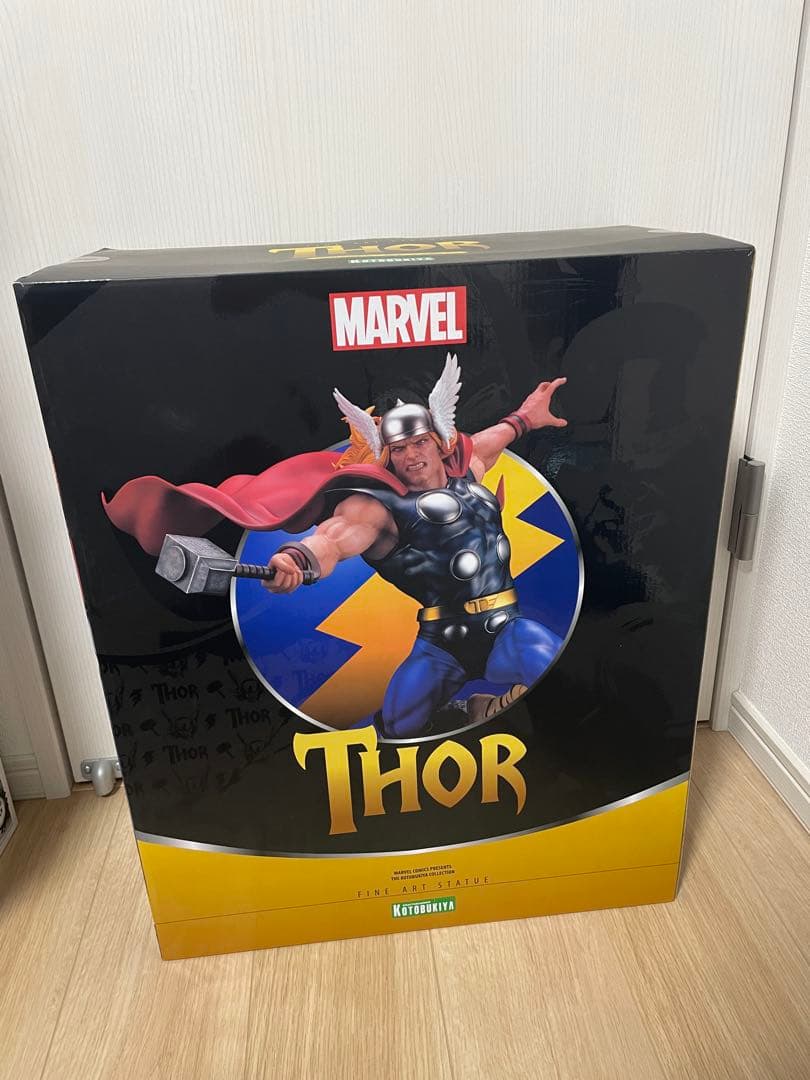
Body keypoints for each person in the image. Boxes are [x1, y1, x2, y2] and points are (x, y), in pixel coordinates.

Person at [264, 354, 568, 737]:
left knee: (550, 664)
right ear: (387, 454)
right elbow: (333, 538)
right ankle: (469, 714)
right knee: (397, 726)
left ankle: (492, 709)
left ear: (439, 443)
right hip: (441, 644)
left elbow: (492, 440)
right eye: (399, 448)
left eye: (420, 442)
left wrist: (525, 417)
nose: (411, 455)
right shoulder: (378, 508)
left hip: (505, 627)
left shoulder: (468, 472)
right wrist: (297, 560)